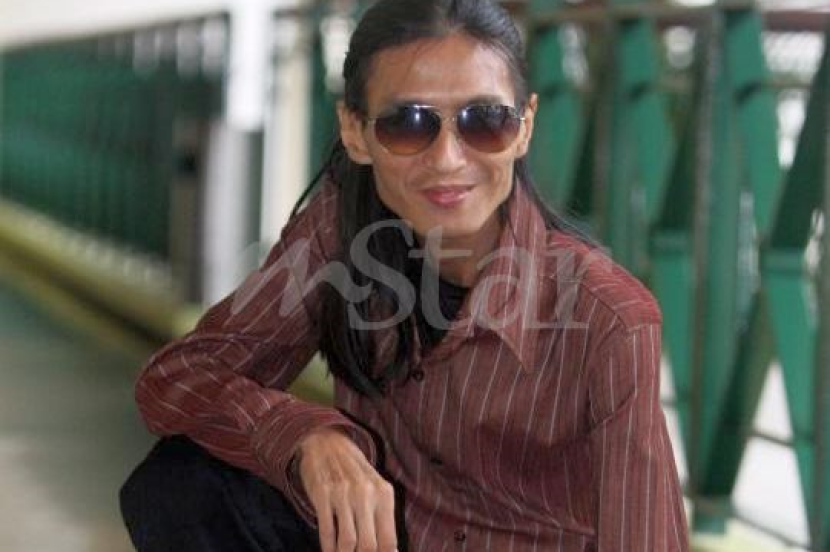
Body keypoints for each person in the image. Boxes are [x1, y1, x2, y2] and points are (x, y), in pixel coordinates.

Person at [119, 0, 690, 550]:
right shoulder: (340, 232)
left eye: (485, 121)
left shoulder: (609, 318)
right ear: (355, 132)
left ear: (524, 128)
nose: (447, 159)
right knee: (181, 484)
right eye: (408, 124)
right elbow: (175, 379)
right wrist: (305, 435)